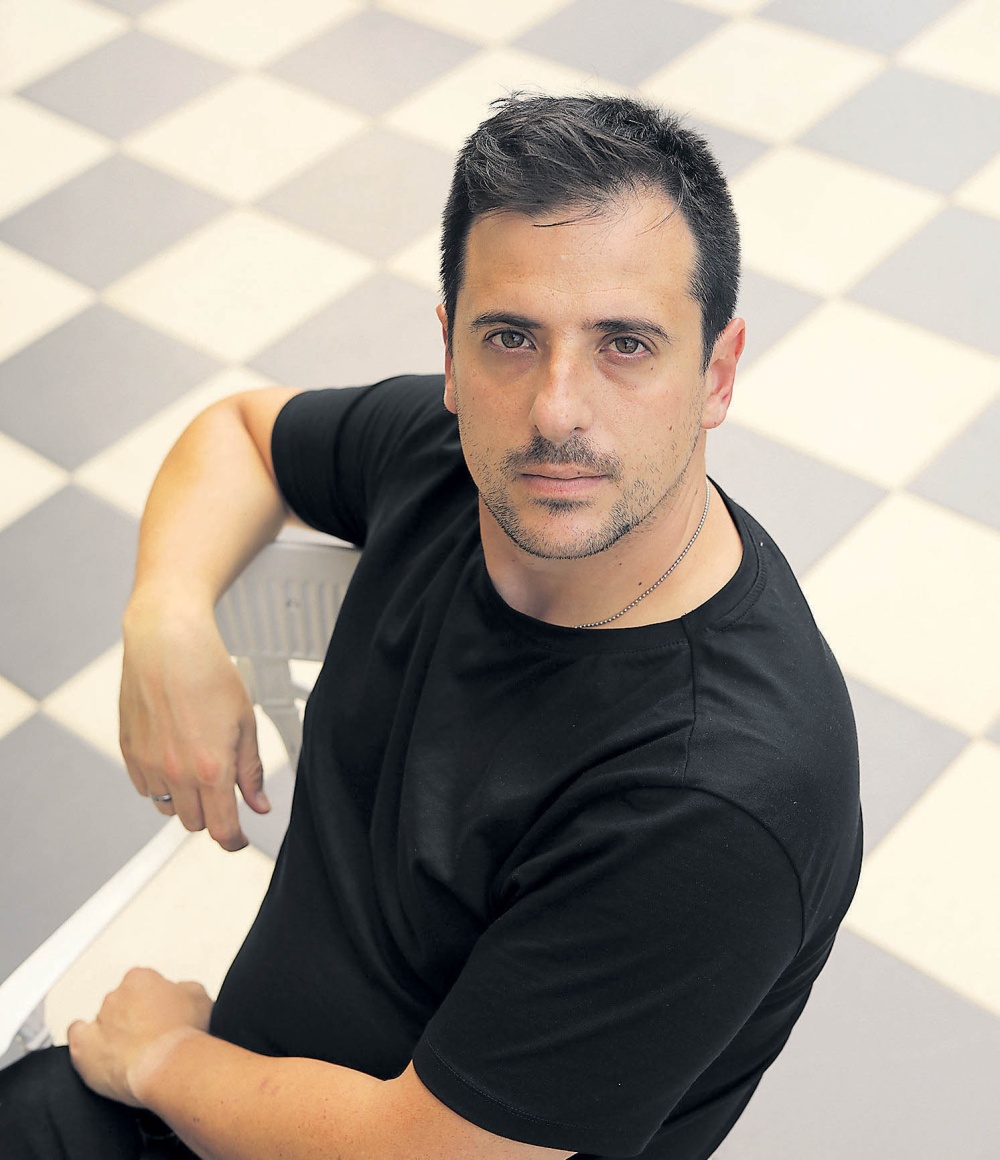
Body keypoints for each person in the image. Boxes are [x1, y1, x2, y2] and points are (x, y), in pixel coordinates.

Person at [0, 93, 862, 1159]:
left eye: (626, 344)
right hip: (244, 1092)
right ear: (451, 351)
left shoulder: (716, 796)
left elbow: (429, 1151)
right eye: (512, 337)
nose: (556, 410)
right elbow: (238, 434)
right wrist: (167, 611)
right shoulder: (446, 457)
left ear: (716, 373)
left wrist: (161, 1060)